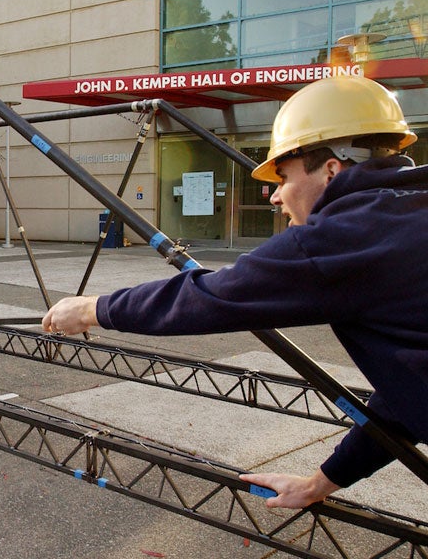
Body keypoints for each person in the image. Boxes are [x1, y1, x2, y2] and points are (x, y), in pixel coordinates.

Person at [42, 76, 428, 508]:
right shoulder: (405, 214)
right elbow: (408, 389)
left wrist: (95, 309)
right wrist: (321, 483)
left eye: (283, 176)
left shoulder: (350, 233)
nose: (276, 197)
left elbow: (212, 297)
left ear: (332, 169)